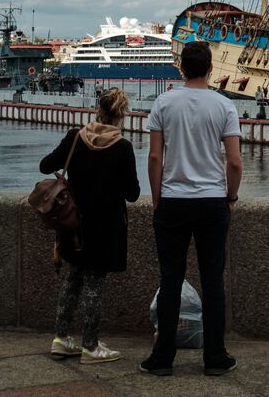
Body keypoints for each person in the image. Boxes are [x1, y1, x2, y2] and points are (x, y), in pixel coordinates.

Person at [141, 40, 243, 377]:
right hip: (213, 201)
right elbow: (235, 162)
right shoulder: (224, 106)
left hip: (172, 200)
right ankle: (215, 357)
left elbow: (155, 157)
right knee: (213, 281)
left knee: (171, 279)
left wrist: (158, 198)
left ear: (181, 68)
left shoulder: (164, 103)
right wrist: (230, 197)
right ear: (211, 68)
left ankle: (162, 358)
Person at [41, 87, 140, 363]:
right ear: (120, 115)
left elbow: (45, 165)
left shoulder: (76, 137)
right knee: (94, 286)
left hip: (73, 224)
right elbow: (132, 193)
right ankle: (91, 346)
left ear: (98, 109)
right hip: (105, 227)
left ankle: (61, 339)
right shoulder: (122, 148)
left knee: (72, 280)